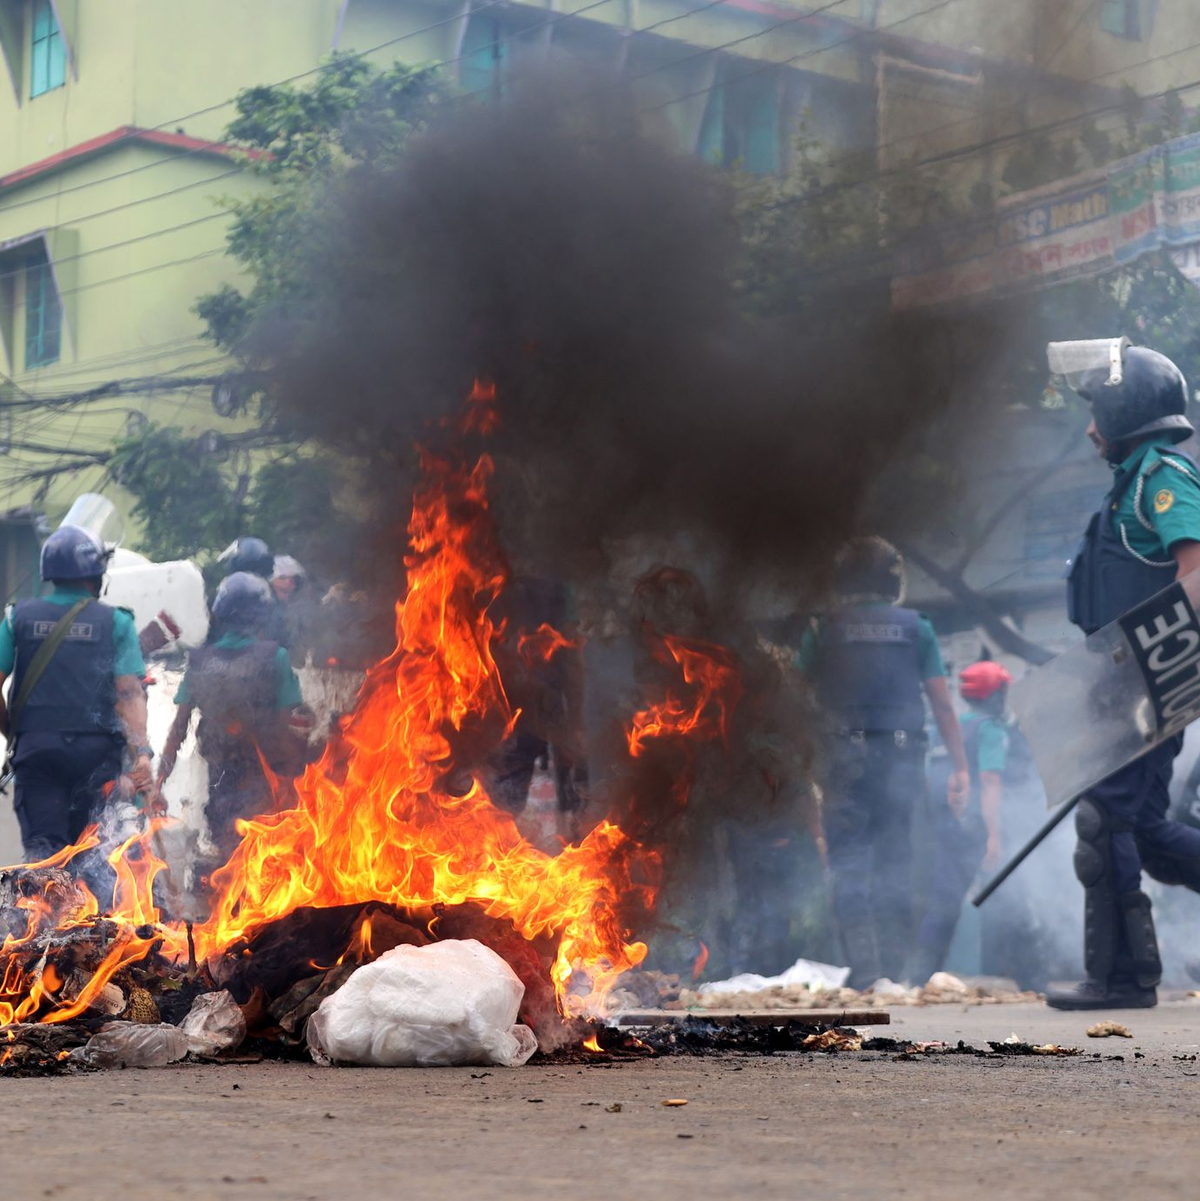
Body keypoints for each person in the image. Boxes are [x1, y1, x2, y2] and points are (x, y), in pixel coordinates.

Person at [1048, 341, 1200, 1010]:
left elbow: (1197, 574)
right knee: (1140, 828)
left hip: (1146, 685)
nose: (1089, 429)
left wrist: (1150, 671)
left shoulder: (1162, 477)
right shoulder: (1130, 485)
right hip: (1123, 686)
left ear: (1129, 410)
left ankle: (1121, 979)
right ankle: (1122, 975)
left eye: (1098, 413)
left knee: (1105, 820)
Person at [796, 536, 969, 988]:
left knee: (849, 861)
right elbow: (943, 704)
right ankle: (895, 975)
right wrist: (961, 767)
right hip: (900, 759)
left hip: (841, 761)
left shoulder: (822, 629)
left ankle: (864, 973)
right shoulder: (918, 628)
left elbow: (791, 696)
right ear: (892, 580)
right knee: (896, 859)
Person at [0, 525, 151, 861]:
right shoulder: (117, 622)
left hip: (38, 756)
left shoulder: (16, 619)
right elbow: (128, 693)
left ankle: (42, 913)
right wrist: (142, 752)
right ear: (97, 576)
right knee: (95, 856)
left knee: (45, 857)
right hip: (96, 760)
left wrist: (12, 731)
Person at [910, 659, 1045, 989]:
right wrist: (994, 837)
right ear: (994, 694)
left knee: (943, 902)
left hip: (949, 827)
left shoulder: (947, 728)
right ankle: (1033, 982)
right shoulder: (990, 729)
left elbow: (930, 781)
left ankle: (918, 979)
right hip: (982, 829)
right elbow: (990, 782)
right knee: (1016, 898)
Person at [156, 572, 310, 861]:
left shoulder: (200, 661)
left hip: (220, 783)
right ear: (263, 616)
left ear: (221, 615)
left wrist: (158, 781)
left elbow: (179, 728)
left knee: (226, 860)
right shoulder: (275, 657)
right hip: (265, 783)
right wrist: (294, 785)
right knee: (266, 861)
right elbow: (286, 728)